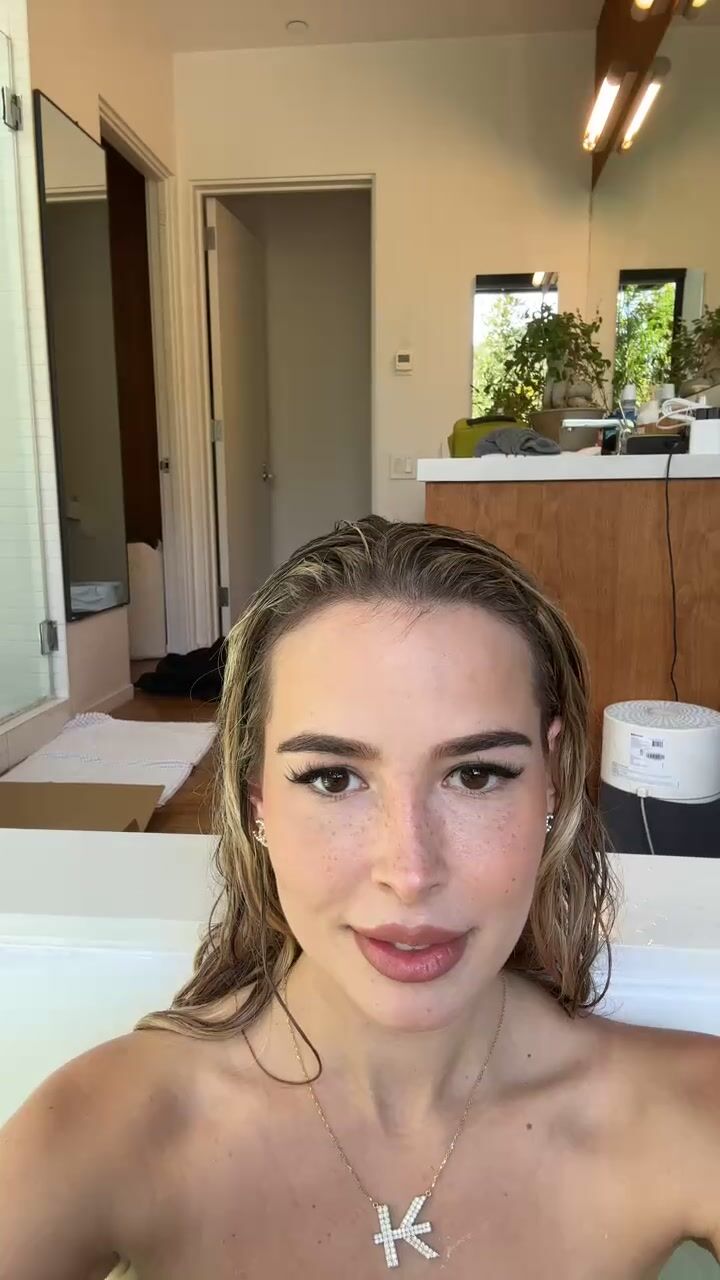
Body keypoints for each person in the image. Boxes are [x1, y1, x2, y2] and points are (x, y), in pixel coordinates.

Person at [1, 516, 718, 1280]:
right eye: (333, 778)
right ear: (256, 800)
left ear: (552, 779)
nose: (409, 872)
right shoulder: (106, 1129)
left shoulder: (687, 1109)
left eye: (475, 775)